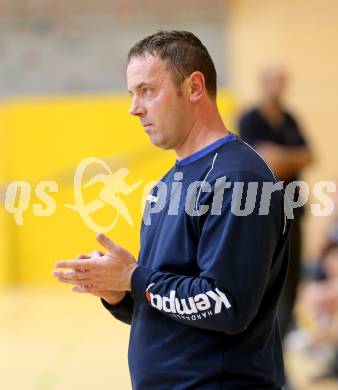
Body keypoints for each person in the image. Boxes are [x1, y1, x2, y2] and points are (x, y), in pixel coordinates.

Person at [53, 31, 291, 389]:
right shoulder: (167, 185)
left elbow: (223, 304)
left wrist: (135, 278)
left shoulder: (238, 179)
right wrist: (120, 292)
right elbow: (171, 304)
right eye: (132, 94)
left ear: (194, 87)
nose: (134, 108)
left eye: (147, 90)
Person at [238, 66, 313, 337]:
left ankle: (284, 344)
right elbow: (261, 161)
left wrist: (281, 156)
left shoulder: (290, 118)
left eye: (283, 81)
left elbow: (309, 155)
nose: (278, 87)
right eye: (274, 81)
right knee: (269, 282)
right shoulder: (250, 119)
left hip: (293, 208)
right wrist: (286, 158)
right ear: (262, 83)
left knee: (292, 282)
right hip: (263, 212)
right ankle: (267, 346)